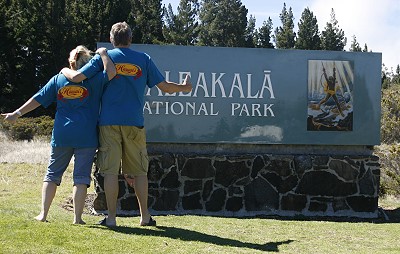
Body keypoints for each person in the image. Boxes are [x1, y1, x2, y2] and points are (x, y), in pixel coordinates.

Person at [62, 21, 192, 227]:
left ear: (112, 40)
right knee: (140, 171)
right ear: (130, 39)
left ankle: (112, 218)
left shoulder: (103, 57)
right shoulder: (144, 59)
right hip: (134, 123)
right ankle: (144, 217)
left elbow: (78, 77)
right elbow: (165, 88)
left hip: (108, 123)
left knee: (110, 172)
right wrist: (184, 88)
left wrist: (64, 71)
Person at [1, 46, 116, 224]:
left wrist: (17, 113)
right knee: (81, 178)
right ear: (86, 62)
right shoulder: (94, 80)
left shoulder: (58, 79)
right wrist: (103, 54)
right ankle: (77, 218)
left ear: (71, 62)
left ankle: (43, 214)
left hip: (62, 134)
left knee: (52, 174)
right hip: (86, 135)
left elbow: (37, 98)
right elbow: (110, 72)